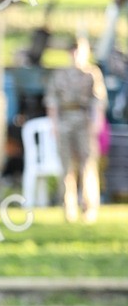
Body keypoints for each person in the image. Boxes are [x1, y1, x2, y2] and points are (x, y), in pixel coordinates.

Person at [44, 37, 107, 223]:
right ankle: (68, 208)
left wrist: (97, 123)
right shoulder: (60, 74)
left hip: (84, 121)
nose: (76, 54)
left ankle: (89, 207)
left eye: (79, 50)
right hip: (64, 121)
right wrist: (54, 124)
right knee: (66, 166)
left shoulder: (91, 74)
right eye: (73, 50)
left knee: (87, 165)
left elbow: (99, 101)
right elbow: (52, 101)